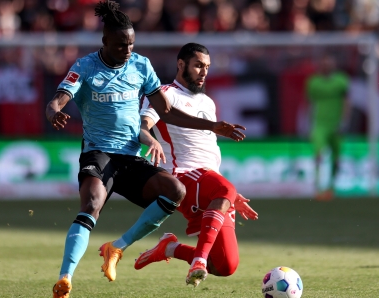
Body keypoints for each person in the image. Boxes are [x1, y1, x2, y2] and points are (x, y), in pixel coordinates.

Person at [46, 2, 246, 298]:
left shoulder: (141, 65)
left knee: (174, 192)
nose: (127, 50)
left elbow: (166, 112)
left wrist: (211, 126)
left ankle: (117, 248)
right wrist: (53, 112)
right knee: (91, 207)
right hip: (99, 153)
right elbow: (58, 99)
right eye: (120, 45)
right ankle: (65, 277)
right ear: (105, 42)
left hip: (130, 157)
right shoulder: (85, 67)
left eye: (131, 44)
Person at [129, 43, 258, 287]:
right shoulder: (164, 94)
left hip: (208, 179)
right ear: (181, 64)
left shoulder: (208, 102)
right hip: (184, 176)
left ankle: (170, 248)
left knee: (225, 265)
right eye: (198, 65)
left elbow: (208, 151)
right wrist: (150, 140)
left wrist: (225, 193)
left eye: (207, 67)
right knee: (224, 193)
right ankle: (198, 261)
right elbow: (143, 125)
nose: (203, 71)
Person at [305, 54, 349, 200]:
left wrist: (344, 121)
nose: (326, 67)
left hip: (336, 125)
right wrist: (307, 123)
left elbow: (347, 102)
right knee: (319, 154)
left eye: (329, 64)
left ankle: (331, 187)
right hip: (319, 124)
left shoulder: (341, 80)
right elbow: (309, 104)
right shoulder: (313, 82)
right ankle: (318, 187)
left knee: (336, 158)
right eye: (324, 64)